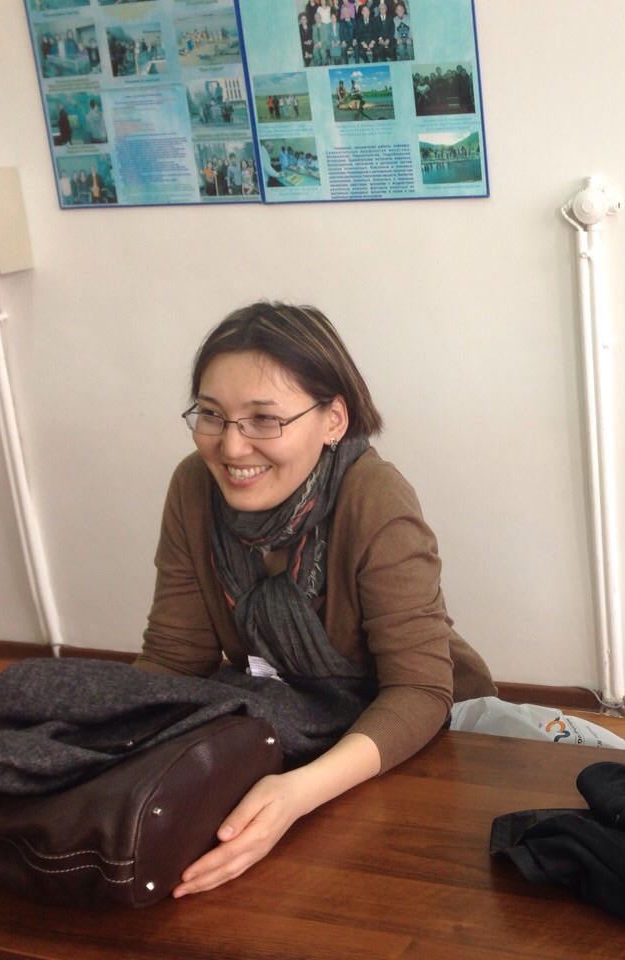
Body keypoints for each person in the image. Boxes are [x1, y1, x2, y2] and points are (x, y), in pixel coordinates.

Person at [133, 302, 496, 897]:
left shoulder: (373, 497)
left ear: (333, 419)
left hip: (418, 741)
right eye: (212, 415)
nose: (231, 447)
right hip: (296, 732)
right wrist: (108, 742)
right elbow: (175, 659)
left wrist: (296, 795)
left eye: (264, 419)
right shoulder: (193, 488)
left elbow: (420, 690)